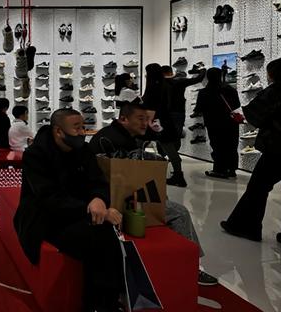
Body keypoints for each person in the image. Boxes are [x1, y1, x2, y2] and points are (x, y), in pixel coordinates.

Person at [89, 103, 219, 286]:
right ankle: (193, 267)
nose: (145, 123)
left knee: (167, 204)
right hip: (116, 199)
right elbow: (124, 180)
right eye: (140, 119)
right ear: (124, 119)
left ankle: (188, 262)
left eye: (147, 119)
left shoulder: (117, 135)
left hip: (116, 195)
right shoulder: (114, 139)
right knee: (180, 212)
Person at [14, 109, 124, 311]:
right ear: (58, 131)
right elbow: (49, 198)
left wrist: (99, 199)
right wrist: (91, 208)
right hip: (45, 217)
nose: (82, 132)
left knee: (104, 234)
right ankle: (99, 304)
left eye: (83, 127)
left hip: (78, 211)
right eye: (77, 128)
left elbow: (98, 181)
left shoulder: (83, 151)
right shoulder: (35, 155)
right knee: (98, 238)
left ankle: (105, 302)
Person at [222, 58, 281, 254]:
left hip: (278, 149)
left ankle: (246, 227)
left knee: (257, 188)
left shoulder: (276, 90)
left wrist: (241, 117)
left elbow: (256, 114)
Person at [157, 65, 206, 187]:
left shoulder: (159, 83)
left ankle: (168, 162)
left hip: (164, 115)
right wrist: (202, 70)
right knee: (174, 138)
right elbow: (198, 79)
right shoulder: (179, 81)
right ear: (171, 72)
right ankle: (171, 162)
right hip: (178, 114)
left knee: (164, 139)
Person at [195, 68, 240, 179]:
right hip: (230, 121)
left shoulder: (204, 92)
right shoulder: (230, 89)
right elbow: (236, 104)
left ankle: (219, 169)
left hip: (213, 122)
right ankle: (232, 169)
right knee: (231, 145)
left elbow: (199, 109)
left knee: (217, 145)